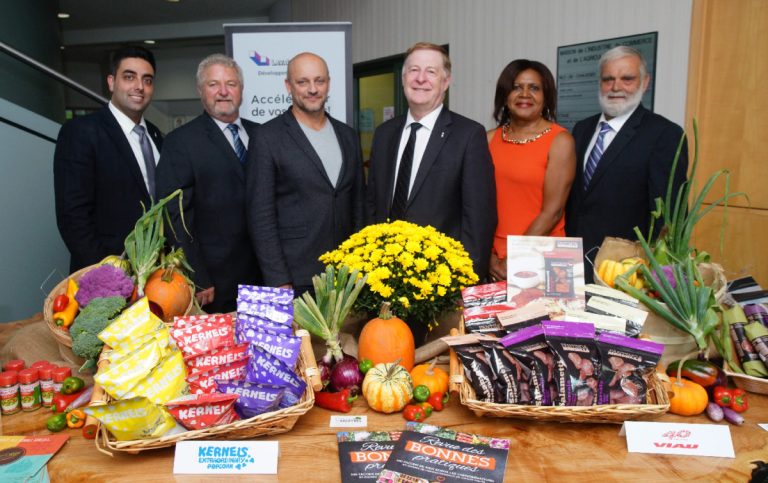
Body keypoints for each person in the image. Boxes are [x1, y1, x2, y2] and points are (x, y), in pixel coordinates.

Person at [366, 42, 496, 280]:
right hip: (384, 275)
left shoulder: (468, 135)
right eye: (414, 70)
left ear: (445, 82)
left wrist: (465, 278)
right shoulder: (384, 133)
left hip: (440, 280)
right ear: (404, 78)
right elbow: (373, 204)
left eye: (431, 72)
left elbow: (479, 217)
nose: (420, 79)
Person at [565, 46, 688, 282]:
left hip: (624, 270)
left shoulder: (665, 134)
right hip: (572, 261)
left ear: (645, 82)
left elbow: (669, 217)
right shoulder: (582, 129)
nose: (616, 87)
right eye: (608, 79)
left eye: (627, 79)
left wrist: (655, 275)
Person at [247, 52, 365, 296]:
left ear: (328, 84)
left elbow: (358, 206)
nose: (312, 89)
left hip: (346, 276)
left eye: (319, 81)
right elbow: (261, 215)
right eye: (303, 82)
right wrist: (279, 280)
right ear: (288, 86)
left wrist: (360, 266)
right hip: (296, 277)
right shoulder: (268, 137)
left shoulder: (348, 136)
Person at [156, 54, 260, 313]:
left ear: (242, 90)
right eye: (213, 84)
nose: (223, 92)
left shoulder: (264, 135)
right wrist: (197, 275)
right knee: (223, 353)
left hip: (265, 277)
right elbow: (176, 217)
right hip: (214, 283)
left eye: (231, 84)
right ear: (200, 90)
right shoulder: (180, 143)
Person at [54, 46, 161, 273]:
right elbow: (73, 217)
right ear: (111, 82)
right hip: (106, 275)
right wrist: (107, 273)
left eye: (147, 80)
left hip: (155, 271)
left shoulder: (156, 136)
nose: (139, 87)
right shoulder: (81, 132)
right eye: (129, 77)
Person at [487, 59, 576, 282]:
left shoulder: (560, 140)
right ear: (505, 96)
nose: (524, 94)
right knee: (491, 318)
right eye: (516, 87)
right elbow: (475, 205)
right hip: (493, 257)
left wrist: (515, 257)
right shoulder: (487, 139)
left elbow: (552, 212)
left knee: (543, 318)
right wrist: (488, 257)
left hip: (544, 254)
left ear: (546, 97)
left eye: (534, 88)